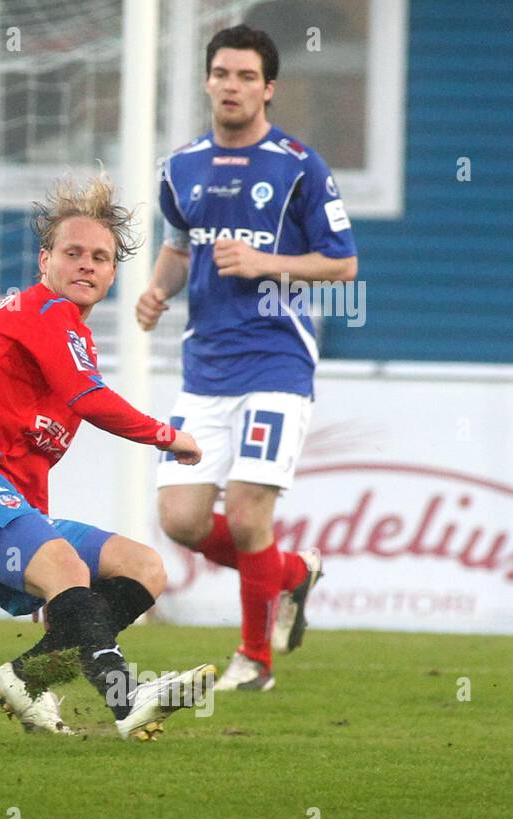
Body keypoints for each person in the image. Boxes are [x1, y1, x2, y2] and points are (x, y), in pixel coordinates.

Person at [0, 172, 215, 741]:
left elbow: (33, 457)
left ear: (113, 273)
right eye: (72, 253)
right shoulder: (42, 311)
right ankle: (128, 699)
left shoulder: (73, 335)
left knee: (143, 568)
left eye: (100, 257)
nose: (86, 265)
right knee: (70, 570)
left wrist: (44, 566)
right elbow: (88, 399)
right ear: (44, 261)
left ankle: (29, 678)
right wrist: (167, 436)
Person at [137, 25, 358, 691]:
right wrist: (154, 289)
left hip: (276, 361)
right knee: (179, 517)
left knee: (249, 511)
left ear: (269, 88)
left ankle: (253, 661)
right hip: (204, 367)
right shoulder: (179, 168)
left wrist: (267, 262)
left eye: (245, 77)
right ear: (208, 81)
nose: (232, 86)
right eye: (222, 74)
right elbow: (179, 250)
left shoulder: (298, 166)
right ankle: (291, 574)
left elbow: (343, 264)